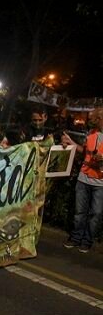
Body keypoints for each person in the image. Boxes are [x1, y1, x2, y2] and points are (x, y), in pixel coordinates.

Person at [61, 107, 103, 253]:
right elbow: (84, 151)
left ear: (100, 119)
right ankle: (76, 238)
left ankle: (87, 241)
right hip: (83, 178)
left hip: (100, 182)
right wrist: (70, 142)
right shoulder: (91, 133)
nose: (90, 121)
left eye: (93, 118)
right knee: (80, 212)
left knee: (96, 214)